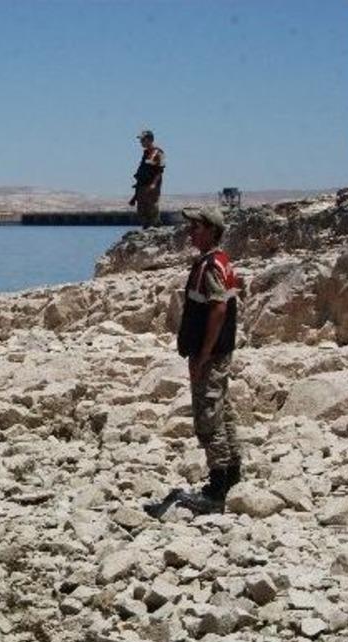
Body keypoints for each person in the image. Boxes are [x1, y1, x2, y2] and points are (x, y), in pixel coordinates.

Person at [145, 207, 241, 518]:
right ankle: (231, 477)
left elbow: (218, 310)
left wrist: (202, 354)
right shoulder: (218, 262)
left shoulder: (211, 266)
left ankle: (217, 489)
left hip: (210, 354)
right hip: (218, 353)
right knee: (223, 411)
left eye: (196, 227)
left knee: (209, 418)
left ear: (212, 230)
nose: (190, 232)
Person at [129, 129, 166, 228]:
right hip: (142, 186)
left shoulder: (158, 152)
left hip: (151, 186)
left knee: (152, 208)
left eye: (143, 140)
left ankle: (156, 229)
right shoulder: (146, 153)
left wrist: (154, 184)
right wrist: (134, 196)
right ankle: (146, 229)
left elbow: (160, 170)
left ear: (150, 140)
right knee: (142, 210)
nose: (141, 142)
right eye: (141, 140)